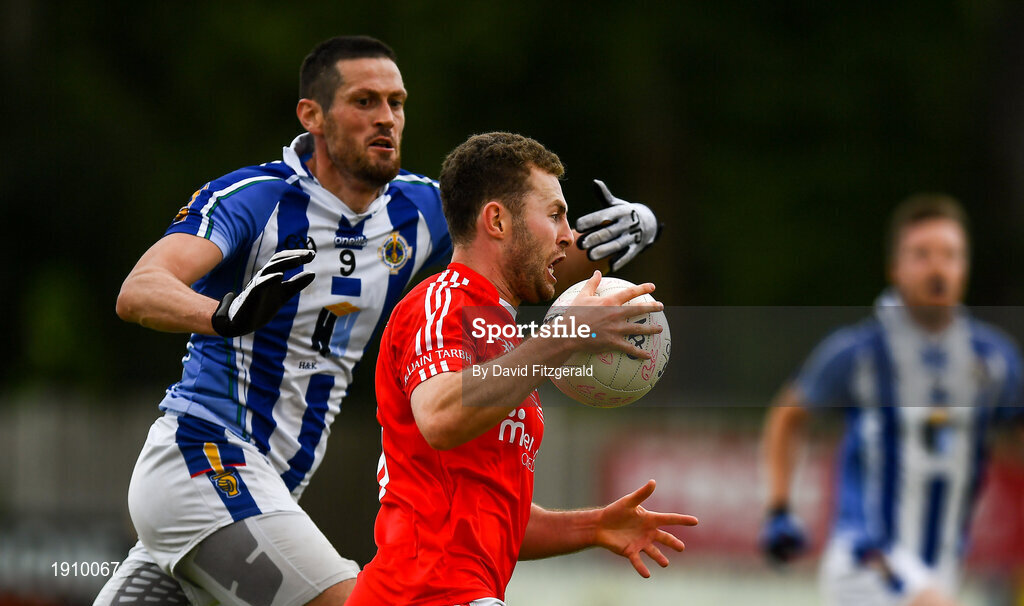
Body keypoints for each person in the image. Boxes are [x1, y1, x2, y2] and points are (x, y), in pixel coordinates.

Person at [94, 37, 663, 606]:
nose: (386, 118)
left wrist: (621, 235)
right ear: (311, 115)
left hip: (270, 489)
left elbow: (517, 245)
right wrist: (222, 314)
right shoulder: (256, 198)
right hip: (207, 457)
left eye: (397, 102)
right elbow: (139, 290)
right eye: (365, 101)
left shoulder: (415, 208)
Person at [345, 132, 697, 606]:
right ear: (497, 220)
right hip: (423, 590)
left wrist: (594, 525)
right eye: (554, 214)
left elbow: (496, 517)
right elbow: (441, 416)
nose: (568, 235)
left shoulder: (507, 338)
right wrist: (564, 335)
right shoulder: (441, 303)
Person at [759, 194, 1022, 606]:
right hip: (867, 558)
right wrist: (779, 507)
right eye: (922, 255)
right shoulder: (858, 353)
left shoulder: (993, 360)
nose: (937, 267)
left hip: (943, 569)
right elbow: (788, 416)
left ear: (965, 266)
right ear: (895, 267)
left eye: (950, 255)